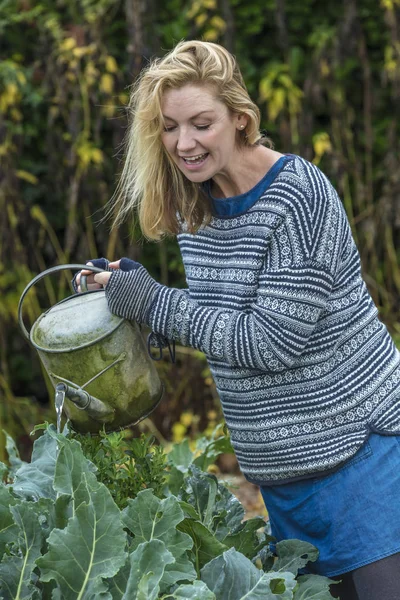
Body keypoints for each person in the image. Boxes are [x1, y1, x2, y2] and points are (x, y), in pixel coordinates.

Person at [74, 40, 400, 599]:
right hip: (283, 475)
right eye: (170, 127)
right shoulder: (193, 207)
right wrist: (129, 294)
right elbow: (219, 321)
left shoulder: (298, 197)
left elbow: (269, 342)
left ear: (241, 120)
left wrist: (152, 301)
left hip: (362, 454)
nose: (184, 143)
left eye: (201, 123)